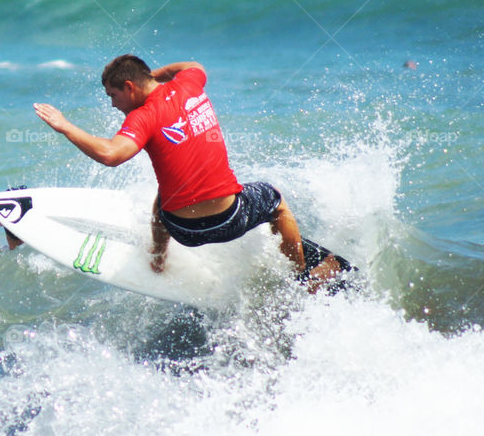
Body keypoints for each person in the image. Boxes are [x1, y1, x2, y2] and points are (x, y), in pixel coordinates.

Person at [33, 54, 346, 290]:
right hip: (231, 219)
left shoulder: (143, 117)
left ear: (130, 87)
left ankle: (157, 259)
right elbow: (194, 65)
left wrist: (65, 126)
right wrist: (151, 76)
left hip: (184, 231)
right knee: (274, 201)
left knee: (164, 197)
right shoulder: (189, 83)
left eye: (113, 96)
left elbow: (111, 154)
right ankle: (301, 278)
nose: (114, 105)